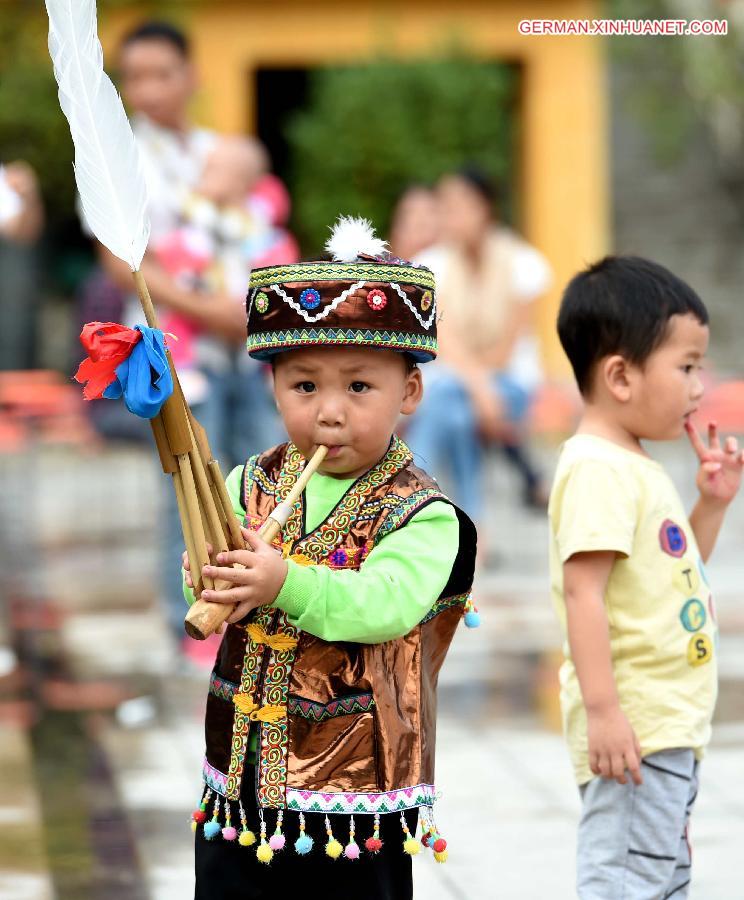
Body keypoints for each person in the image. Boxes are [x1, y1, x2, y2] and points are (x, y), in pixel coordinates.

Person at [182, 218, 477, 900]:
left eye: (360, 388)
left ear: (409, 393)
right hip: (242, 781)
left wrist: (281, 580)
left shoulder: (422, 514)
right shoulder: (247, 483)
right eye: (305, 386)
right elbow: (207, 558)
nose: (330, 413)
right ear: (273, 387)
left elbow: (384, 606)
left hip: (352, 796)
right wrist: (208, 574)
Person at [550, 256, 744, 898]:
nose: (699, 384)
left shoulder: (633, 466)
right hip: (636, 728)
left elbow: (678, 572)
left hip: (665, 726)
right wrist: (605, 712)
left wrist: (710, 506)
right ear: (621, 376)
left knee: (657, 877)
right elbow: (585, 592)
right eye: (686, 366)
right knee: (629, 882)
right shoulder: (599, 470)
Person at [407, 167, 551, 522]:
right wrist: (480, 389)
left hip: (510, 386)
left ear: (483, 207)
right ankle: (474, 526)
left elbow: (508, 345)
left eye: (458, 204)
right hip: (463, 385)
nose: (449, 214)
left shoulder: (521, 262)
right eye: (445, 205)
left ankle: (408, 490)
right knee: (457, 416)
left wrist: (484, 387)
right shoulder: (433, 265)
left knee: (447, 403)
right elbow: (447, 341)